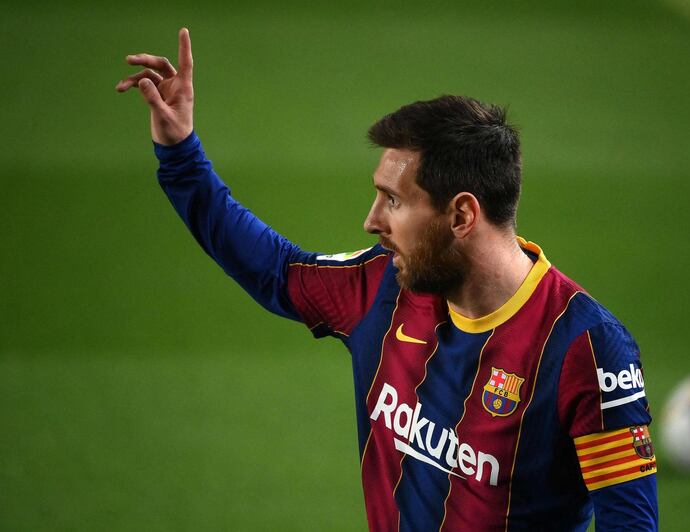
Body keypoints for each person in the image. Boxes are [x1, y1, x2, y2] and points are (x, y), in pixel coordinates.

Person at [117, 28, 658, 531]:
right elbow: (275, 268)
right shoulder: (382, 289)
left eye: (394, 200)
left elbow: (629, 524)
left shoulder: (586, 346)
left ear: (462, 215)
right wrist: (180, 151)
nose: (372, 221)